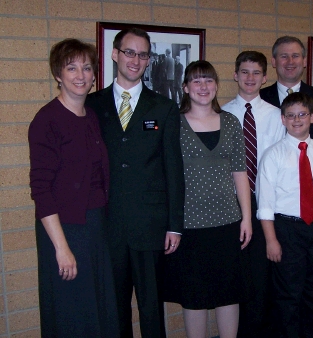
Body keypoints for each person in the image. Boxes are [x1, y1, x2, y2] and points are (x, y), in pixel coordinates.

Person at [85, 28, 184, 338]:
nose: (136, 60)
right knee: (114, 308)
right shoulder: (91, 105)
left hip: (151, 226)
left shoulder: (163, 107)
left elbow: (173, 168)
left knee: (152, 307)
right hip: (107, 224)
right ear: (115, 54)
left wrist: (175, 225)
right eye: (130, 52)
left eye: (143, 54)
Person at [28, 38, 119, 337]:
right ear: (58, 74)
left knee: (98, 309)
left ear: (94, 75)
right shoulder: (47, 120)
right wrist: (62, 249)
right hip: (64, 229)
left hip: (95, 226)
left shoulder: (91, 115)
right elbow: (41, 191)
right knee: (73, 313)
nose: (80, 75)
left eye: (87, 68)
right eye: (71, 68)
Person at [163, 60, 252, 338]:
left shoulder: (230, 121)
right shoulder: (173, 123)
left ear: (216, 86)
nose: (203, 86)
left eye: (209, 80)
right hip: (189, 224)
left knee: (229, 292)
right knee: (195, 296)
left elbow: (240, 171)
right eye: (197, 81)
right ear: (186, 87)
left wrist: (246, 217)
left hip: (227, 221)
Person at [257, 92, 313, 338]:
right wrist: (271, 240)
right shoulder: (273, 155)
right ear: (282, 119)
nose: (297, 120)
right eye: (291, 115)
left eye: (302, 114)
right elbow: (265, 204)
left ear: (312, 117)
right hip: (287, 230)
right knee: (289, 293)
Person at [222, 51, 285, 338]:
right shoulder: (221, 114)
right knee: (238, 273)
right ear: (235, 75)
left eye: (256, 73)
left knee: (262, 276)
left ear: (265, 77)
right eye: (244, 72)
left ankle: (260, 330)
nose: (250, 78)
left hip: (266, 203)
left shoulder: (276, 116)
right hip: (232, 204)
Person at [260, 36, 313, 169]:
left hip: (310, 178)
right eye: (284, 56)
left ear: (304, 61)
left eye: (295, 56)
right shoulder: (260, 98)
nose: (290, 62)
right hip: (270, 178)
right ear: (274, 62)